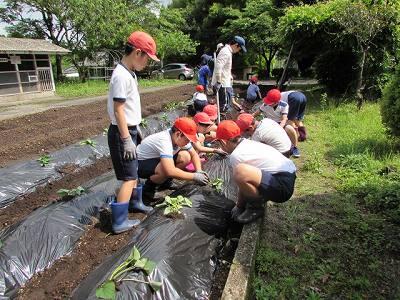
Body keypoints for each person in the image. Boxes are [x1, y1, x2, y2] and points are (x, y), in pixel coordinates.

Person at [107, 31, 159, 234]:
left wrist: (136, 130)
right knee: (129, 177)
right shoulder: (121, 76)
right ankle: (119, 221)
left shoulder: (130, 73)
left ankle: (135, 203)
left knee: (134, 171)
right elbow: (119, 109)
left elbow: (128, 108)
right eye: (148, 58)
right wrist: (127, 138)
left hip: (130, 130)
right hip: (122, 133)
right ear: (138, 53)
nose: (148, 63)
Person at [215, 120, 296, 224]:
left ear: (224, 142)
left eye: (219, 143)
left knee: (240, 172)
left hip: (283, 187)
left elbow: (241, 180)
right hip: (287, 176)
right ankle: (258, 200)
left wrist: (239, 206)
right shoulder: (247, 142)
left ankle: (256, 208)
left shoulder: (236, 155)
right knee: (243, 173)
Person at [137, 117, 210, 197]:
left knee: (185, 157)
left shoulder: (179, 137)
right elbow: (170, 171)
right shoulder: (164, 141)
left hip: (157, 159)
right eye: (187, 140)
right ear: (178, 134)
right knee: (165, 169)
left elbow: (193, 154)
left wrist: (199, 170)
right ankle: (149, 189)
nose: (188, 142)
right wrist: (194, 177)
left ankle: (166, 182)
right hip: (140, 163)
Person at [253, 89, 301, 157]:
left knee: (290, 128)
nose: (268, 104)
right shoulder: (265, 105)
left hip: (280, 123)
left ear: (277, 102)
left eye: (270, 102)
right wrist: (249, 118)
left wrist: (279, 128)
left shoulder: (284, 105)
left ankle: (295, 147)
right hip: (268, 124)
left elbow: (284, 119)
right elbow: (256, 113)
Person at [211, 36, 247, 113]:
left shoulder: (228, 52)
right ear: (236, 45)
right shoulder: (225, 52)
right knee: (223, 107)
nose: (238, 51)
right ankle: (220, 123)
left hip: (225, 84)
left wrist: (233, 101)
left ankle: (221, 120)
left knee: (225, 105)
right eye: (239, 48)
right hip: (222, 85)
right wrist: (218, 82)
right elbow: (218, 67)